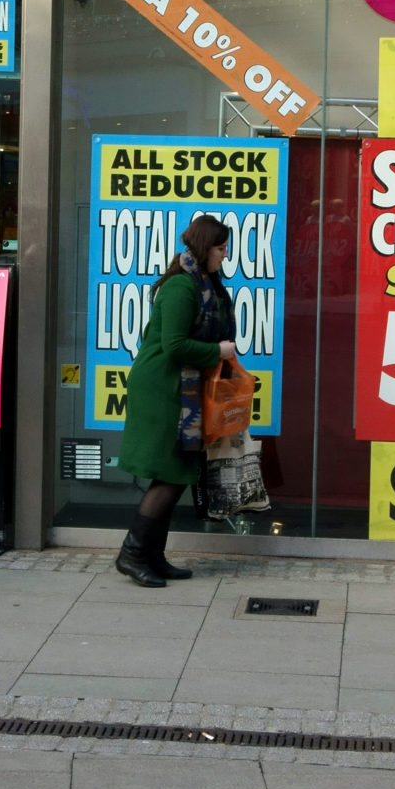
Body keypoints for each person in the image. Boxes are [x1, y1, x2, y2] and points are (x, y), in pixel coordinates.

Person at [114, 215, 238, 587]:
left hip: (179, 390)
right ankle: (132, 555)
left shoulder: (204, 284)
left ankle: (152, 555)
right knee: (170, 474)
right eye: (220, 247)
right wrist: (218, 350)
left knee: (177, 474)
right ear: (204, 248)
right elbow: (174, 345)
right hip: (163, 390)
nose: (225, 254)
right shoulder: (182, 288)